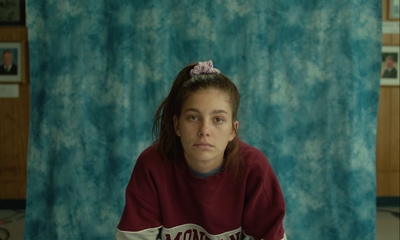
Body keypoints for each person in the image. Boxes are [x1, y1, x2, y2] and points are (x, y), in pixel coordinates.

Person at [116, 60, 287, 240]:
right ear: (177, 125)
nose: (204, 130)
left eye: (218, 119)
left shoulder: (254, 169)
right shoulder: (152, 166)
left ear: (233, 130)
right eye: (193, 117)